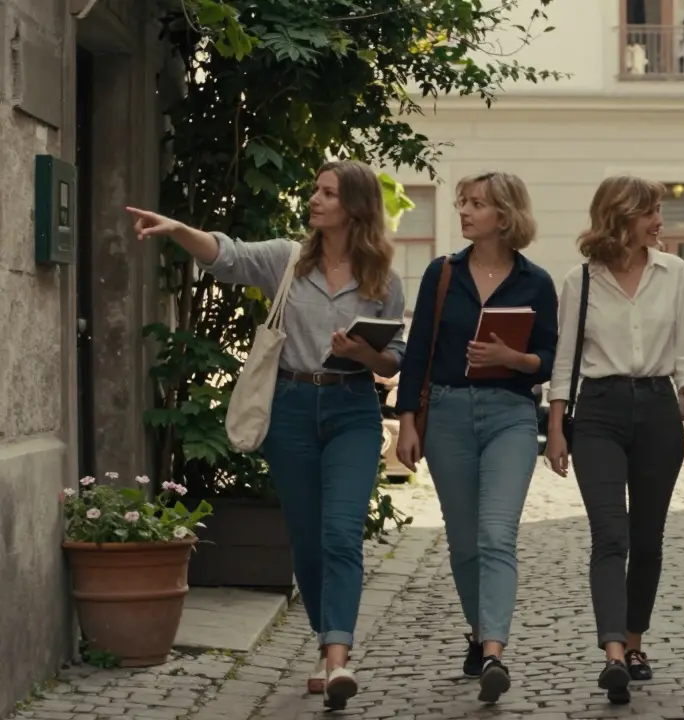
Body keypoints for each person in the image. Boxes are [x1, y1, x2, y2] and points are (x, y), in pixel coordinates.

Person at [126, 160, 406, 711]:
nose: (315, 199)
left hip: (352, 409)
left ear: (354, 207)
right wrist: (178, 229)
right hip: (291, 408)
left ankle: (337, 659)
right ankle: (327, 644)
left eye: (328, 193)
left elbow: (393, 362)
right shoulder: (286, 260)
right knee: (306, 540)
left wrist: (362, 353)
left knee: (342, 535)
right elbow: (226, 255)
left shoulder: (383, 280)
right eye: (315, 190)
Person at [393, 171, 557, 704]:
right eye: (463, 202)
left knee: (495, 533)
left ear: (504, 214)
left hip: (511, 414)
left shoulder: (537, 282)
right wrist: (408, 423)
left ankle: (493, 651)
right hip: (446, 414)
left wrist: (514, 359)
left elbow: (551, 359)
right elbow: (418, 351)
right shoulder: (443, 274)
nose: (463, 211)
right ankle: (476, 629)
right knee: (464, 542)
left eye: (476, 204)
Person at [544, 175, 684, 705]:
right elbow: (564, 360)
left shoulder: (675, 272)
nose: (660, 220)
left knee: (649, 539)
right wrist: (555, 429)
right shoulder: (581, 281)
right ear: (622, 216)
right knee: (610, 535)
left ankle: (635, 642)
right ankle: (614, 652)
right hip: (597, 413)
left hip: (659, 409)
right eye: (651, 211)